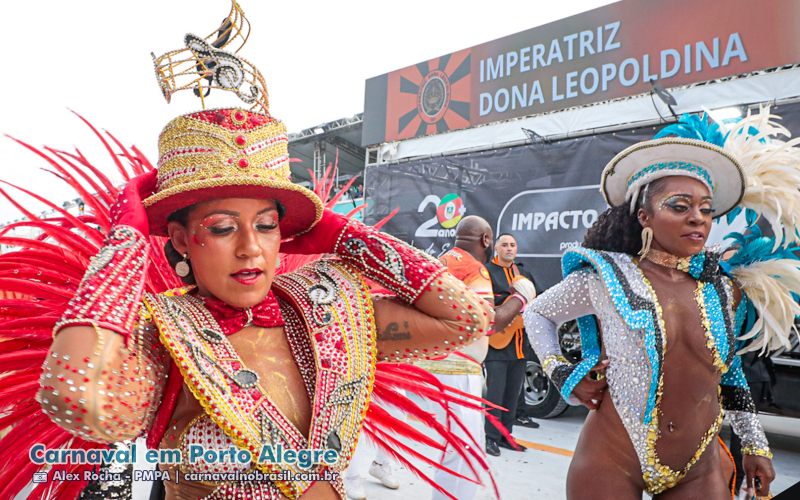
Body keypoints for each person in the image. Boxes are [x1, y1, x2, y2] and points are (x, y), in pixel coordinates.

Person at [0, 8, 500, 499]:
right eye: (221, 228)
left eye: (266, 225)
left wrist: (342, 234)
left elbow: (466, 319)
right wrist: (127, 240)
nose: (250, 247)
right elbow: (76, 394)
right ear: (180, 240)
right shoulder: (163, 337)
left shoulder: (327, 311)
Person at [523, 111, 800, 499]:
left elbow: (729, 372)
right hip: (612, 457)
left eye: (705, 209)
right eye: (680, 206)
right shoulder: (606, 277)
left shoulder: (721, 288)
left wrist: (755, 445)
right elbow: (536, 312)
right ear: (645, 216)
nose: (697, 219)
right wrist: (561, 372)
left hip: (697, 467)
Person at [416, 215, 536, 497]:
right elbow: (487, 323)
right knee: (465, 451)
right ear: (486, 240)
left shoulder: (443, 262)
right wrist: (520, 297)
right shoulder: (474, 271)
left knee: (453, 448)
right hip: (459, 370)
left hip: (435, 364)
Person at [484, 233, 539, 456]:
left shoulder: (523, 273)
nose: (509, 248)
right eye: (504, 245)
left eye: (512, 245)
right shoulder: (486, 271)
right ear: (496, 247)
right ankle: (490, 438)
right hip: (498, 341)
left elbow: (537, 301)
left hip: (519, 343)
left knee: (512, 394)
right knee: (495, 394)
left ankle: (506, 436)